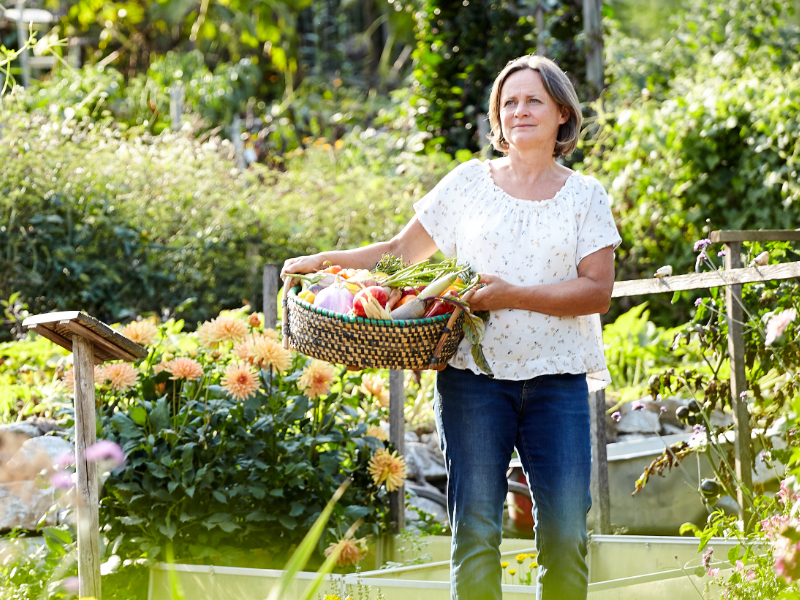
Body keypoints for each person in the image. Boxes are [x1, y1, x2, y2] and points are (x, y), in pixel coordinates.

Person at [281, 54, 621, 600]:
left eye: (533, 100)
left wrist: (513, 294)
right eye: (508, 102)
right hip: (471, 382)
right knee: (477, 529)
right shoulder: (467, 183)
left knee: (563, 531)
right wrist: (326, 261)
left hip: (557, 380)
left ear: (562, 113)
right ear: (497, 117)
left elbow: (596, 292)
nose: (519, 110)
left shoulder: (586, 196)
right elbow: (398, 253)